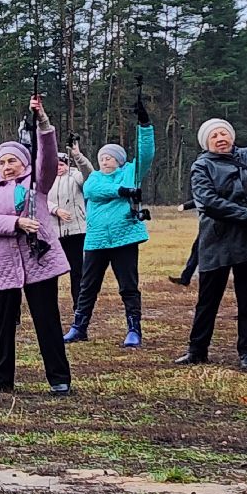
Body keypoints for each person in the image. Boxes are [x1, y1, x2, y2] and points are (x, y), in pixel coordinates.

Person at [175, 108, 247, 370]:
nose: (220, 138)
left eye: (224, 133)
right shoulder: (201, 166)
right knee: (208, 299)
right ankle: (197, 350)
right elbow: (209, 202)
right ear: (207, 142)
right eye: (214, 135)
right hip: (218, 241)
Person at [0, 98, 72, 396]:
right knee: (3, 323)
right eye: (2, 162)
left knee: (47, 319)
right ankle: (2, 378)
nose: (6, 167)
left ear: (24, 162)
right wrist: (15, 224)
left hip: (38, 261)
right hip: (3, 265)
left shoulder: (38, 183)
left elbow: (49, 157)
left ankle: (59, 378)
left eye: (12, 161)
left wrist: (42, 121)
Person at [64, 109, 156, 348]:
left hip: (124, 237)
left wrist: (144, 126)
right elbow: (91, 192)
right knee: (87, 286)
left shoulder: (131, 173)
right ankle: (79, 327)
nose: (105, 160)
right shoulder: (94, 178)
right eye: (102, 157)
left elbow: (146, 153)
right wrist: (121, 192)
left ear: (120, 160)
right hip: (95, 240)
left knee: (128, 286)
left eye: (110, 157)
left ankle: (134, 329)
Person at [49, 142, 92, 317]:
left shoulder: (76, 177)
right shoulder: (46, 180)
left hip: (76, 231)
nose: (59, 168)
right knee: (51, 274)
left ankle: (79, 308)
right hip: (53, 233)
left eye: (61, 164)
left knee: (78, 272)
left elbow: (89, 173)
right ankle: (50, 309)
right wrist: (55, 210)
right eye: (55, 164)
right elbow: (39, 199)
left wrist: (78, 156)